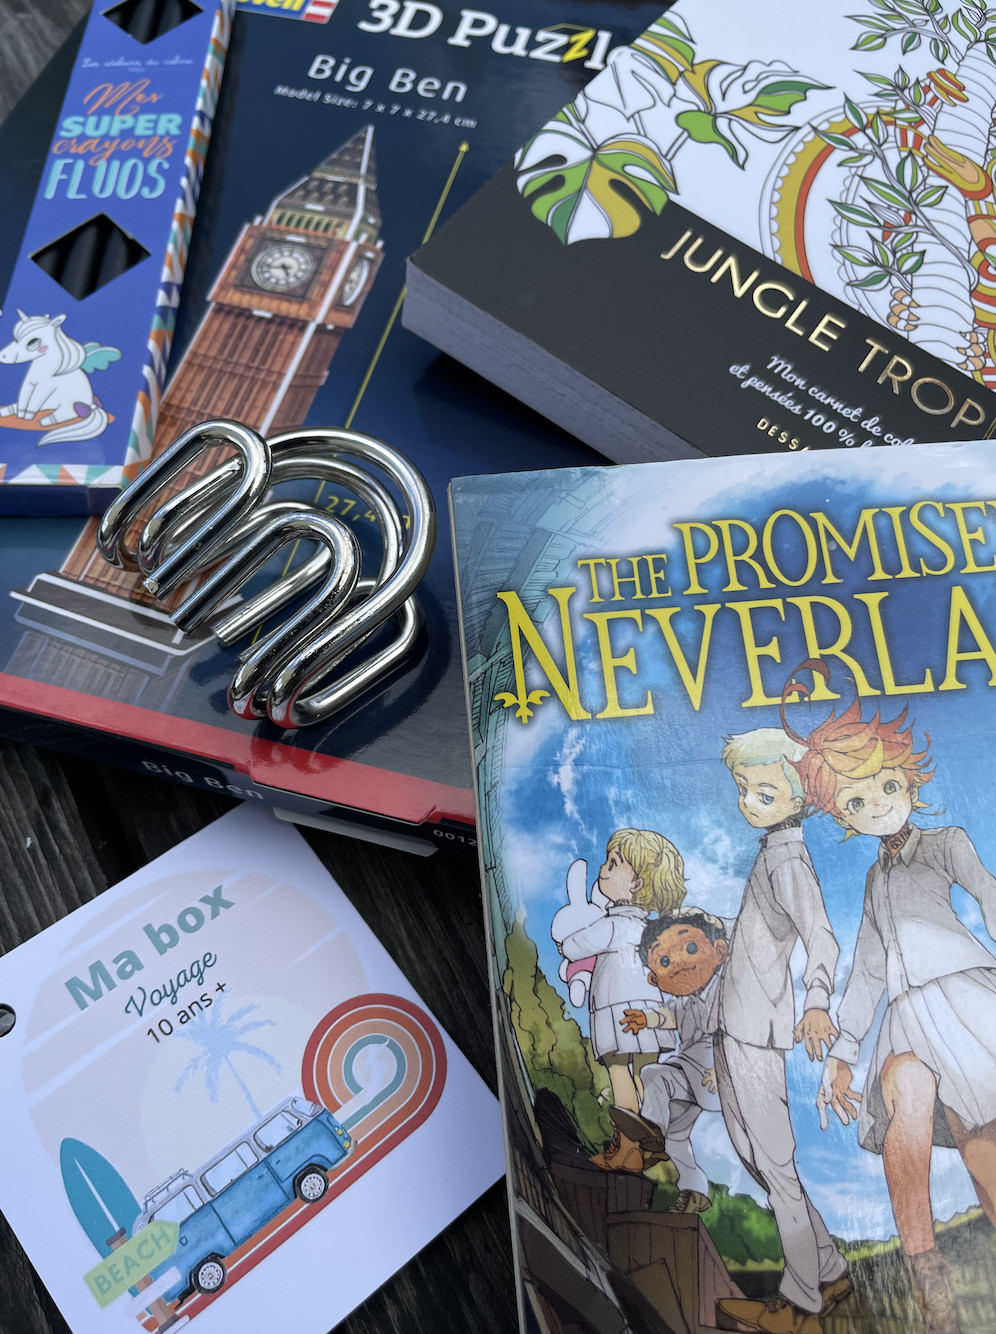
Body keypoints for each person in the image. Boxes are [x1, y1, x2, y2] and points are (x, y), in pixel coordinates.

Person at [788, 663, 996, 1334]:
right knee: (905, 1089)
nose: (877, 804)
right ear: (840, 815)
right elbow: (869, 973)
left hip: (966, 1002)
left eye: (885, 784)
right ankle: (926, 1278)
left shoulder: (944, 844)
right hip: (908, 1019)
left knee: (981, 1145)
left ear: (908, 778)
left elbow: (988, 893)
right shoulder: (874, 882)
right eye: (855, 801)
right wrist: (842, 1054)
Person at [713, 727, 850, 1334]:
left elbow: (822, 938)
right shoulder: (772, 852)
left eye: (764, 794)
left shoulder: (789, 858)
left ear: (800, 798)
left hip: (756, 1030)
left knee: (776, 1167)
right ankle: (830, 1270)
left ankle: (801, 1304)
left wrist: (817, 1002)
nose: (749, 803)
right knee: (757, 1158)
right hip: (735, 1023)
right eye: (744, 789)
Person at [557, 828, 686, 1172]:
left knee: (619, 1073)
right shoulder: (650, 931)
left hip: (617, 1012)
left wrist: (568, 937)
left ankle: (628, 1149)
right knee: (647, 1074)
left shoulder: (614, 925)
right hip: (650, 1011)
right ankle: (653, 1139)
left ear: (637, 884)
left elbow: (574, 945)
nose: (603, 868)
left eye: (613, 864)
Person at [609, 907, 729, 1212]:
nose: (678, 963)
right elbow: (668, 1016)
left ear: (719, 951)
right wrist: (645, 1019)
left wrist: (725, 1072)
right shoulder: (682, 1001)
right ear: (654, 978)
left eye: (690, 948)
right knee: (676, 1138)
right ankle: (695, 1191)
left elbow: (735, 1033)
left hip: (709, 1074)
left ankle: (652, 1131)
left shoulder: (725, 992)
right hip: (690, 1076)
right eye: (664, 961)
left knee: (654, 1075)